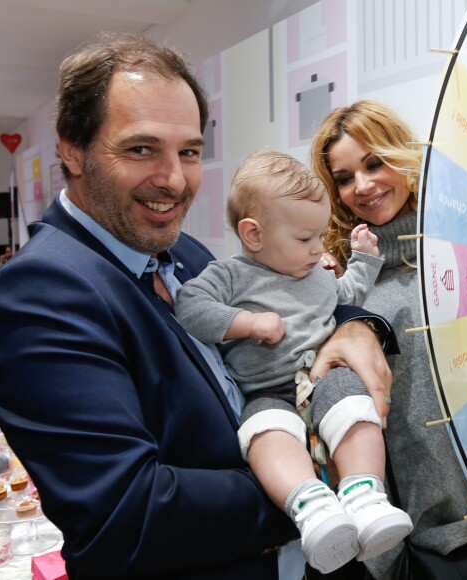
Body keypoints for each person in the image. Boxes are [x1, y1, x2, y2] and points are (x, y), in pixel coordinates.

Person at [0, 34, 398, 580]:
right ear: (72, 151)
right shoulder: (36, 293)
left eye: (190, 152)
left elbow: (292, 294)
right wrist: (313, 485)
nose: (175, 180)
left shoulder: (182, 252)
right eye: (140, 148)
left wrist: (355, 327)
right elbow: (129, 513)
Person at [310, 99, 467, 579]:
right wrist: (384, 561)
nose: (362, 187)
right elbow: (354, 432)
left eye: (373, 162)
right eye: (343, 178)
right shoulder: (348, 298)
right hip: (444, 551)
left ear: (401, 154)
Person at [175, 150, 412, 575]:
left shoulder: (317, 272)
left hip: (322, 378)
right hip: (268, 391)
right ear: (253, 234)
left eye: (320, 236)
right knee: (264, 434)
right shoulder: (229, 274)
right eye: (305, 239)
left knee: (356, 408)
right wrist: (244, 322)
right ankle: (311, 505)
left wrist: (365, 261)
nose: (318, 249)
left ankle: (366, 495)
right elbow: (189, 306)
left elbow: (347, 295)